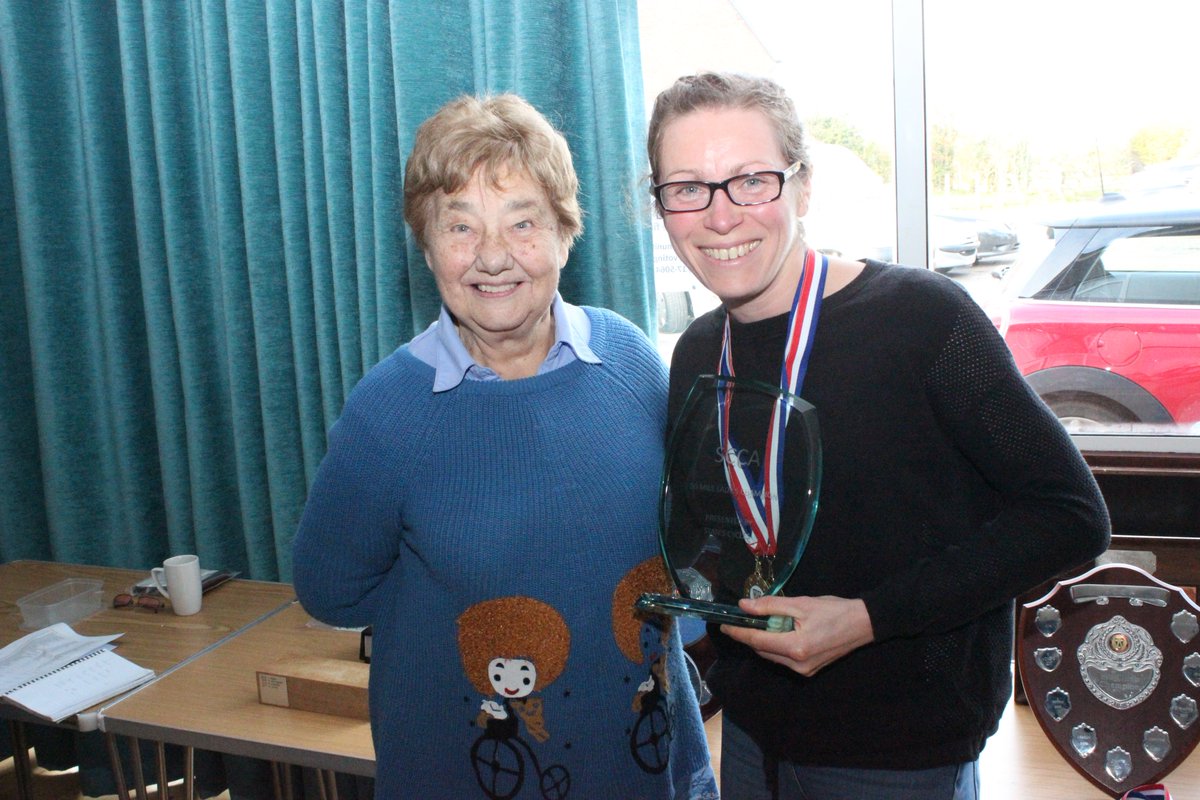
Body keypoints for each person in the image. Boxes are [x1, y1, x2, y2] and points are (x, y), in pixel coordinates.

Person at [647, 72, 1111, 799]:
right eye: (687, 187)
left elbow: (1071, 518)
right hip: (749, 737)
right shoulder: (699, 352)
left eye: (751, 181)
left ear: (802, 188)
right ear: (662, 206)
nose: (720, 215)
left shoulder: (922, 320)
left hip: (902, 756)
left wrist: (869, 619)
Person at [292, 93, 717, 799]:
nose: (492, 256)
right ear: (426, 247)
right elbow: (332, 591)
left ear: (563, 234)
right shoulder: (391, 411)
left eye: (523, 222)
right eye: (460, 227)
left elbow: (679, 549)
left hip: (652, 772)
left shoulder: (631, 359)